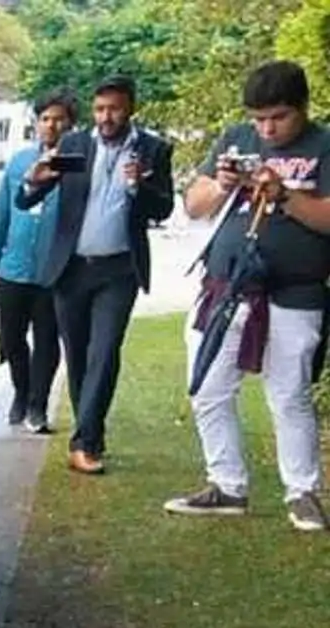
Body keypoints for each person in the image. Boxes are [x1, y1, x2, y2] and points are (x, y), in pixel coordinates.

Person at [163, 61, 330, 531]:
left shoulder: (324, 145)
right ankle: (227, 485)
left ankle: (302, 492)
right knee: (208, 388)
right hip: (226, 286)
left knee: (289, 394)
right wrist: (222, 183)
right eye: (258, 118)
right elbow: (193, 205)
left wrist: (283, 197)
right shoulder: (236, 138)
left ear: (303, 108)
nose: (267, 128)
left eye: (278, 117)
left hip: (295, 290)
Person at [16, 74, 176, 474]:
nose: (106, 117)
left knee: (104, 354)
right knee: (79, 356)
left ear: (131, 108)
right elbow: (29, 197)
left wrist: (140, 187)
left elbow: (164, 209)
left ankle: (83, 443)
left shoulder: (153, 149)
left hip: (119, 270)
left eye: (115, 109)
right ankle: (92, 435)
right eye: (100, 109)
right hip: (71, 269)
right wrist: (31, 182)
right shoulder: (74, 145)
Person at [0, 88, 77, 434]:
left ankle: (38, 404)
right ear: (36, 123)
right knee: (11, 338)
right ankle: (20, 393)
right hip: (13, 269)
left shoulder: (76, 165)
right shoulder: (20, 162)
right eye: (45, 119)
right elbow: (2, 215)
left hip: (53, 273)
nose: (51, 126)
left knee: (47, 341)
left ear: (71, 124)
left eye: (58, 119)